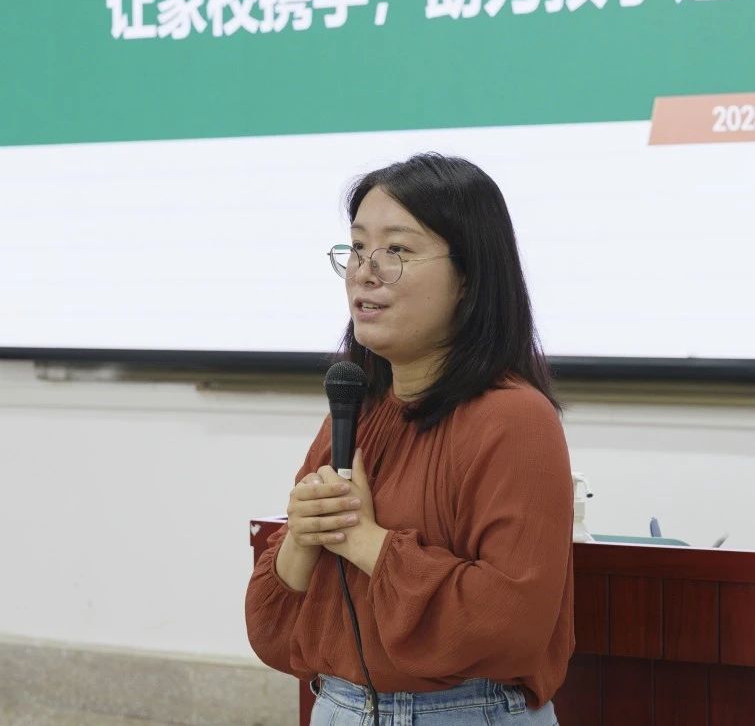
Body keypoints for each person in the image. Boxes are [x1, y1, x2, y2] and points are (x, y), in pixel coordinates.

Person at [245, 153, 574, 724]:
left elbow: (508, 623)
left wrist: (363, 539)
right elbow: (272, 625)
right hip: (339, 706)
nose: (365, 272)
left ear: (468, 277)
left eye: (396, 250)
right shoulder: (356, 409)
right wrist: (302, 536)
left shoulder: (515, 418)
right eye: (357, 247)